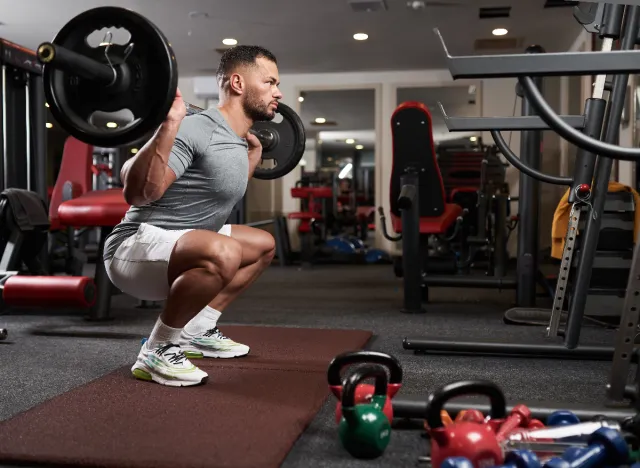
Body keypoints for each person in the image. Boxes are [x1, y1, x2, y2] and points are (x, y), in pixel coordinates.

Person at [102, 45, 282, 387]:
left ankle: (197, 330)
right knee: (225, 251)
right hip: (134, 249)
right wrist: (170, 123)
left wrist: (252, 158)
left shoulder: (238, 141)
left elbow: (215, 194)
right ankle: (158, 348)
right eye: (270, 82)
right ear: (238, 84)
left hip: (181, 246)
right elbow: (141, 193)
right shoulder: (198, 128)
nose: (278, 92)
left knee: (262, 245)